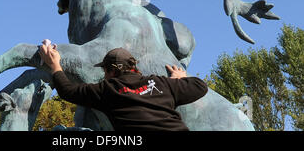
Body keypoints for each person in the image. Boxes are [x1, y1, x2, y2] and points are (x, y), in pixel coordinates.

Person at [39, 41, 208, 131]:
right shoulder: (162, 82)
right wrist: (179, 78)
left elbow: (67, 91)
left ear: (111, 71)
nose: (104, 75)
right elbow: (201, 86)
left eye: (105, 71)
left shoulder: (108, 89)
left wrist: (55, 65)